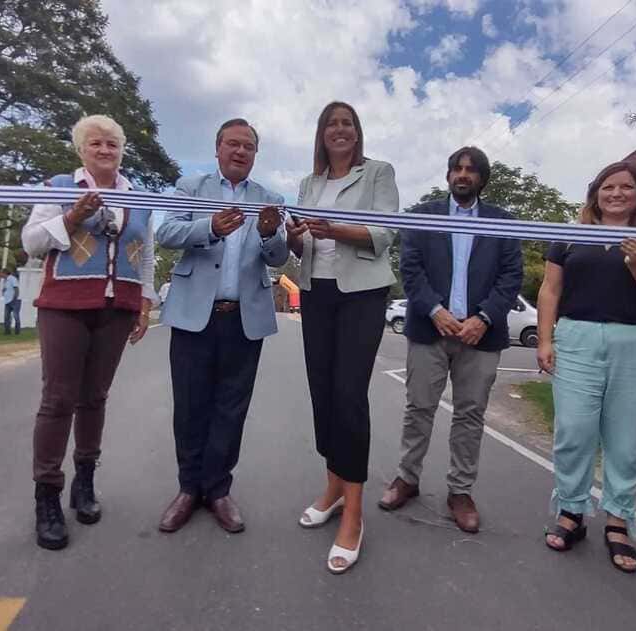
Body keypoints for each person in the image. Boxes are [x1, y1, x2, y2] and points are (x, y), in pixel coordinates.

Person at [536, 161, 636, 573]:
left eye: (626, 187)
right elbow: (551, 288)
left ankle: (619, 520)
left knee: (627, 439)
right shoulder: (570, 236)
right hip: (578, 339)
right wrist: (547, 339)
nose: (617, 193)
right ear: (596, 193)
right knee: (573, 430)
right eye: (608, 187)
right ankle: (571, 511)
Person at [22, 114, 155, 550]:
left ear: (121, 151)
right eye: (95, 144)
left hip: (117, 307)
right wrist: (72, 217)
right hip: (65, 304)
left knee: (95, 396)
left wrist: (144, 303)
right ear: (81, 149)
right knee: (58, 399)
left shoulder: (136, 197)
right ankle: (47, 496)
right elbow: (32, 242)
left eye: (112, 144)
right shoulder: (60, 187)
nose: (104, 151)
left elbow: (146, 253)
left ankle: (85, 481)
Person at [378, 146, 523, 534]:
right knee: (419, 408)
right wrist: (434, 310)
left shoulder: (502, 222)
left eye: (471, 171)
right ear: (447, 176)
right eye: (457, 169)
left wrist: (485, 317)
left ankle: (460, 491)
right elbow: (410, 268)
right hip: (430, 329)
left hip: (481, 335)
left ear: (481, 179)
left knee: (470, 415)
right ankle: (406, 479)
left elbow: (511, 277)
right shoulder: (423, 216)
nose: (463, 175)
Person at [156, 118, 287, 535]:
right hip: (195, 316)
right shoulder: (191, 188)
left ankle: (217, 489)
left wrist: (269, 234)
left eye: (249, 147)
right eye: (233, 144)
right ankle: (187, 488)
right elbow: (167, 233)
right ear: (217, 149)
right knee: (191, 405)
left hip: (243, 318)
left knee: (232, 409)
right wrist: (210, 226)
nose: (241, 152)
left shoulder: (269, 199)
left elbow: (279, 257)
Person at [286, 101, 398, 574]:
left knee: (349, 396)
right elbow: (302, 246)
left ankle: (353, 513)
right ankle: (333, 486)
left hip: (362, 294)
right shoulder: (308, 184)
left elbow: (386, 231)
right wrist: (295, 238)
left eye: (347, 123)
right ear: (321, 133)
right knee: (323, 394)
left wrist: (336, 230)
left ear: (357, 132)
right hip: (317, 292)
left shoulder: (377, 173)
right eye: (331, 124)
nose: (339, 130)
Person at [0, 268, 21, 335]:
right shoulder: (5, 280)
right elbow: (7, 289)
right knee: (6, 317)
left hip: (14, 300)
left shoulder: (12, 279)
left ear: (4, 273)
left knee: (16, 316)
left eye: (1, 273)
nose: (0, 274)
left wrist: (14, 298)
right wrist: (4, 291)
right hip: (7, 301)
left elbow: (16, 289)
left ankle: (17, 331)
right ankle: (7, 331)